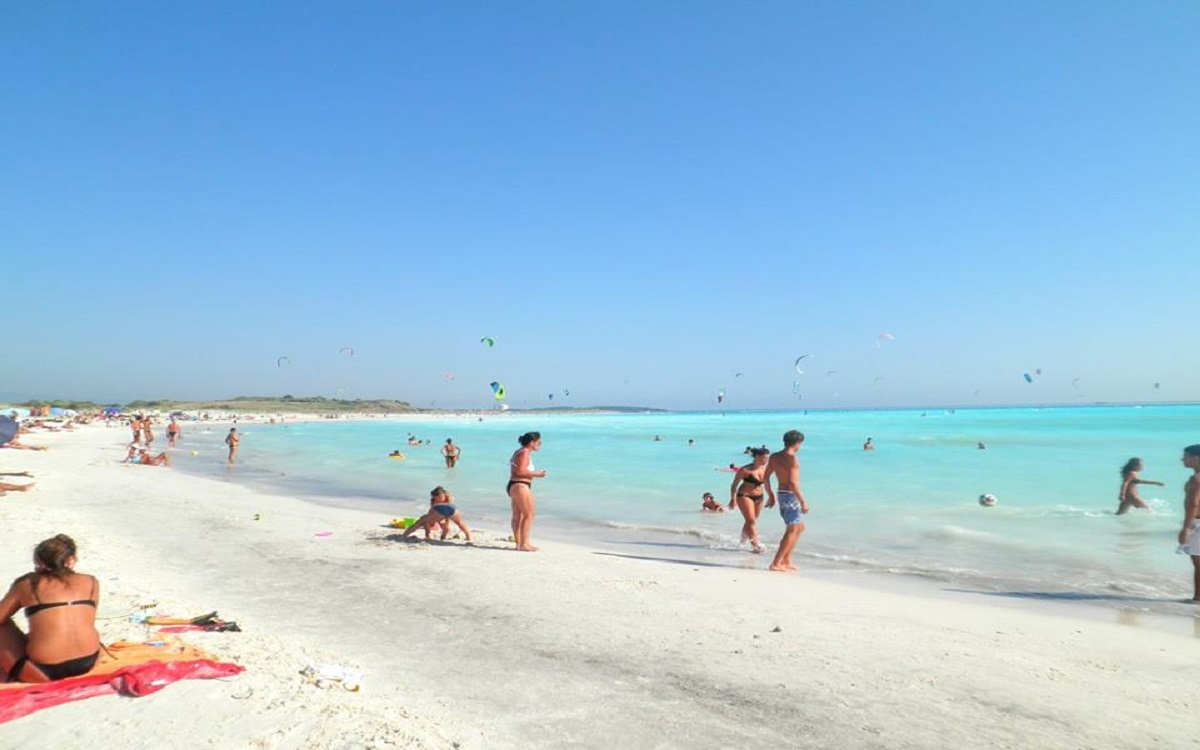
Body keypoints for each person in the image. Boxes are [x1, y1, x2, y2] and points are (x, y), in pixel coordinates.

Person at [0, 534, 101, 682]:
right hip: (88, 661)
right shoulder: (91, 582)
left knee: (3, 625)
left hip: (44, 670)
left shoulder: (27, 584)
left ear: (39, 561)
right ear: (71, 560)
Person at [764, 430, 809, 573]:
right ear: (798, 443)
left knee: (799, 527)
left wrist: (771, 495)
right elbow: (792, 483)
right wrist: (803, 501)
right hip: (790, 495)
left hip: (782, 494)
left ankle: (786, 560)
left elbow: (765, 477)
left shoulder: (774, 456)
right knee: (792, 529)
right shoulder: (793, 459)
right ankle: (776, 563)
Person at [508, 432, 547, 552]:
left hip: (514, 485)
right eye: (539, 443)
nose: (540, 445)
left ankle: (519, 543)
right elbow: (520, 471)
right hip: (520, 485)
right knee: (529, 514)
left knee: (518, 515)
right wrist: (538, 474)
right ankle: (524, 543)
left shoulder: (519, 451)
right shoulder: (524, 452)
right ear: (532, 443)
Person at [728, 447, 772, 552]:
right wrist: (733, 499)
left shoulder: (765, 469)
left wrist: (771, 496)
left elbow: (767, 484)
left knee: (750, 521)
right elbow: (734, 484)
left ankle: (742, 542)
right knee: (751, 520)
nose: (766, 461)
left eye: (767, 459)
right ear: (757, 457)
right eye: (764, 458)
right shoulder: (745, 470)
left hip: (759, 497)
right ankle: (755, 545)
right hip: (745, 495)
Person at [401, 486, 473, 543]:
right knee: (459, 522)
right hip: (452, 509)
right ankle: (469, 537)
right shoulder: (448, 496)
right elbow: (446, 510)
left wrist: (429, 519)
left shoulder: (434, 500)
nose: (436, 498)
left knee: (422, 521)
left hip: (440, 510)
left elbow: (433, 511)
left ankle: (404, 535)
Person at [1177, 445, 1200, 601]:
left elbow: (1193, 504)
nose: (1183, 459)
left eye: (1185, 456)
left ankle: (1198, 598)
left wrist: (1185, 528)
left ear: (1196, 458)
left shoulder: (1196, 479)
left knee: (1198, 562)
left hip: (1197, 523)